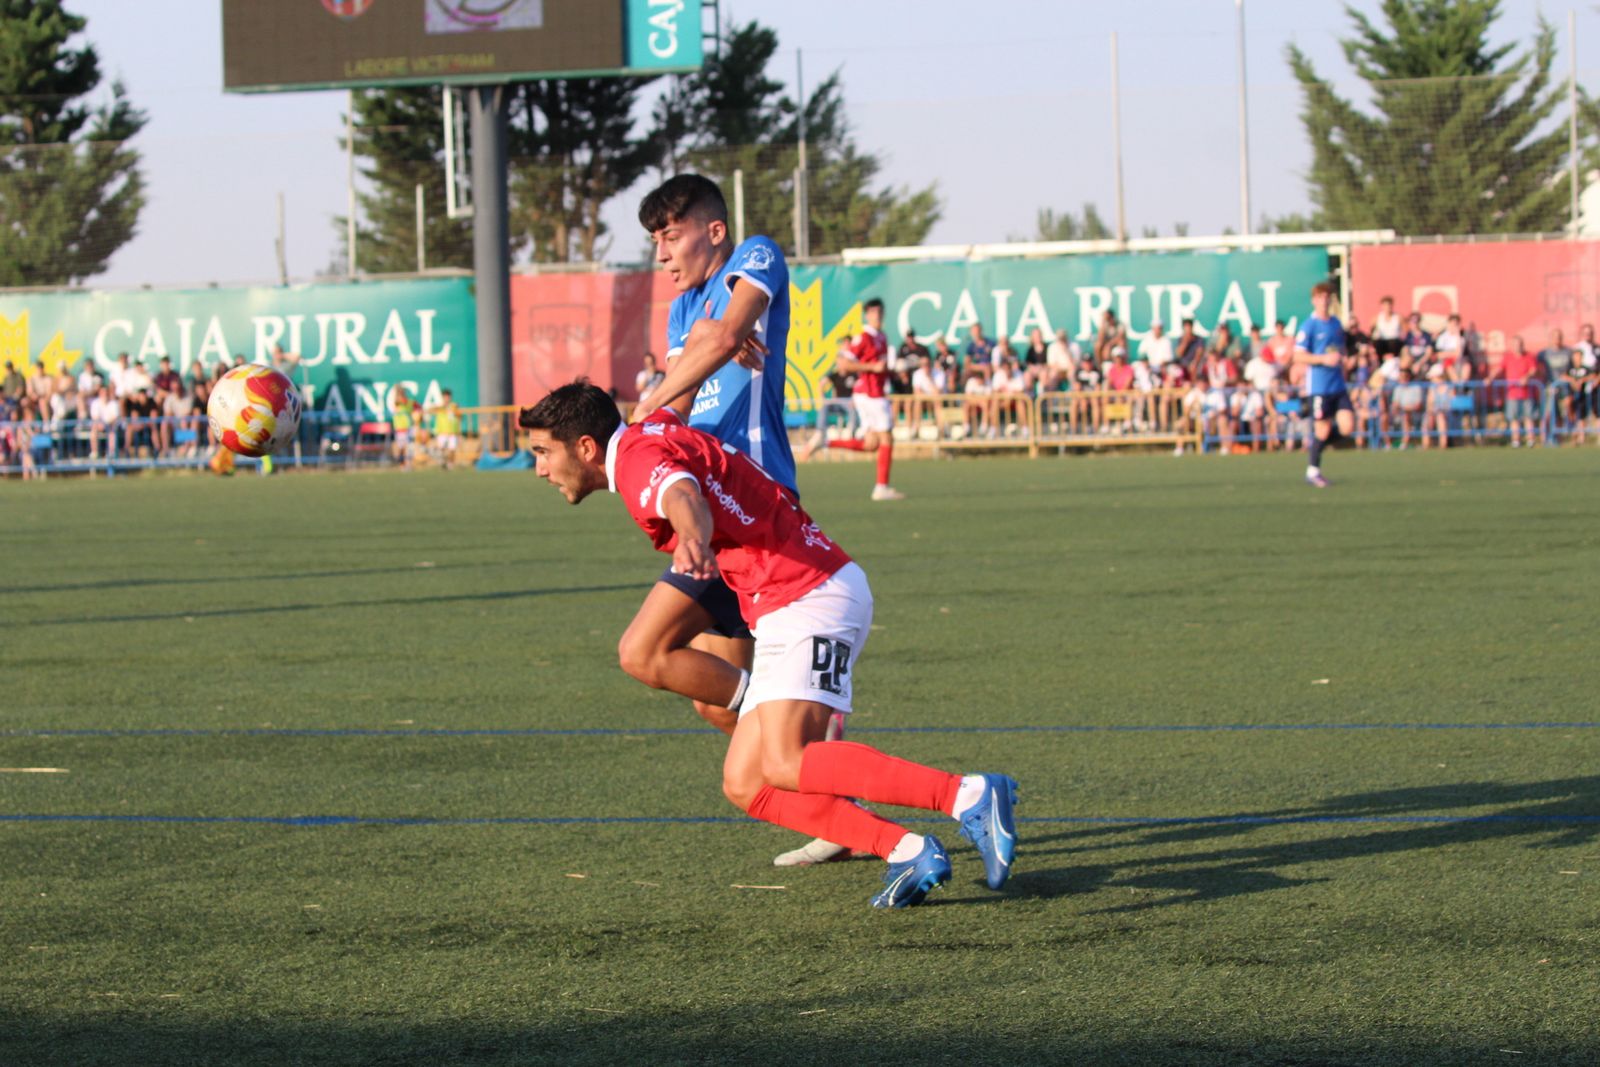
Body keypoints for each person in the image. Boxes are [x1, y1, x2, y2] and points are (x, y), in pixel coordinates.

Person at [519, 381, 1020, 908]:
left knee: (785, 761)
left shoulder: (638, 464)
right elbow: (680, 406)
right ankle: (907, 850)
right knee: (747, 782)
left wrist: (692, 536)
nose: (540, 469)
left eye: (543, 452)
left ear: (586, 447)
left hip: (811, 597)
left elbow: (682, 494)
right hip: (786, 605)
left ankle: (966, 794)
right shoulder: (652, 431)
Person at [616, 173, 849, 868]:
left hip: (758, 504)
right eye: (654, 241)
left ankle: (824, 758)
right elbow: (687, 388)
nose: (661, 254)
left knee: (647, 650)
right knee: (713, 700)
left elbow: (719, 338)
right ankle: (826, 776)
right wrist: (698, 356)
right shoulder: (683, 312)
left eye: (671, 236)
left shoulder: (756, 255)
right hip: (716, 508)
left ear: (714, 231)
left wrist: (708, 349)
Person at [802, 297, 904, 500]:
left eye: (880, 312)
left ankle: (826, 442)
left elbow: (880, 367)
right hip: (870, 394)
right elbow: (844, 364)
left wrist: (892, 371)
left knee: (871, 444)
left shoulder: (882, 337)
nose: (877, 316)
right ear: (867, 315)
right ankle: (881, 488)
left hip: (876, 392)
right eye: (873, 312)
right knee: (887, 437)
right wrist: (871, 367)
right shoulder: (862, 338)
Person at [1292, 281, 1353, 487]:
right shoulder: (1309, 325)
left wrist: (1344, 359)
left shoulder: (1336, 323)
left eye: (1327, 297)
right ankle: (1313, 470)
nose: (1324, 301)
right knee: (1322, 430)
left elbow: (1339, 349)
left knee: (1347, 427)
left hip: (1338, 385)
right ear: (1314, 300)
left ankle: (1316, 445)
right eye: (1320, 297)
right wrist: (1323, 360)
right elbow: (1298, 356)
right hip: (1319, 387)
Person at [1537, 328, 1576, 444]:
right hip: (1550, 386)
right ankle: (1544, 437)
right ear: (1551, 338)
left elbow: (1574, 369)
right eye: (1554, 337)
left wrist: (1570, 378)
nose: (1557, 339)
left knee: (1566, 409)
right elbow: (1537, 369)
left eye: (1559, 337)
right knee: (1548, 412)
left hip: (1565, 386)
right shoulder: (1544, 354)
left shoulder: (1568, 352)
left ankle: (1563, 436)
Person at [1502, 335, 1540, 447]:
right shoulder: (1508, 357)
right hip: (1512, 392)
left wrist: (1526, 377)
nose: (1517, 347)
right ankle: (1516, 440)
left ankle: (1530, 439)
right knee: (1514, 418)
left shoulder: (1529, 356)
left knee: (1529, 417)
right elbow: (1500, 368)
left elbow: (1533, 369)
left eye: (1519, 344)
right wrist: (1490, 378)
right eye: (1515, 344)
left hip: (1527, 392)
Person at [428, 389, 462, 469]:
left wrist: (455, 411)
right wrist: (442, 407)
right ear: (443, 397)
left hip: (452, 431)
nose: (447, 398)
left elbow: (460, 416)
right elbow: (430, 410)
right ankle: (443, 462)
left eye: (448, 396)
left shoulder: (454, 406)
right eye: (445, 396)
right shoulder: (440, 406)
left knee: (452, 449)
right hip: (442, 431)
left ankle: (450, 464)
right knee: (441, 450)